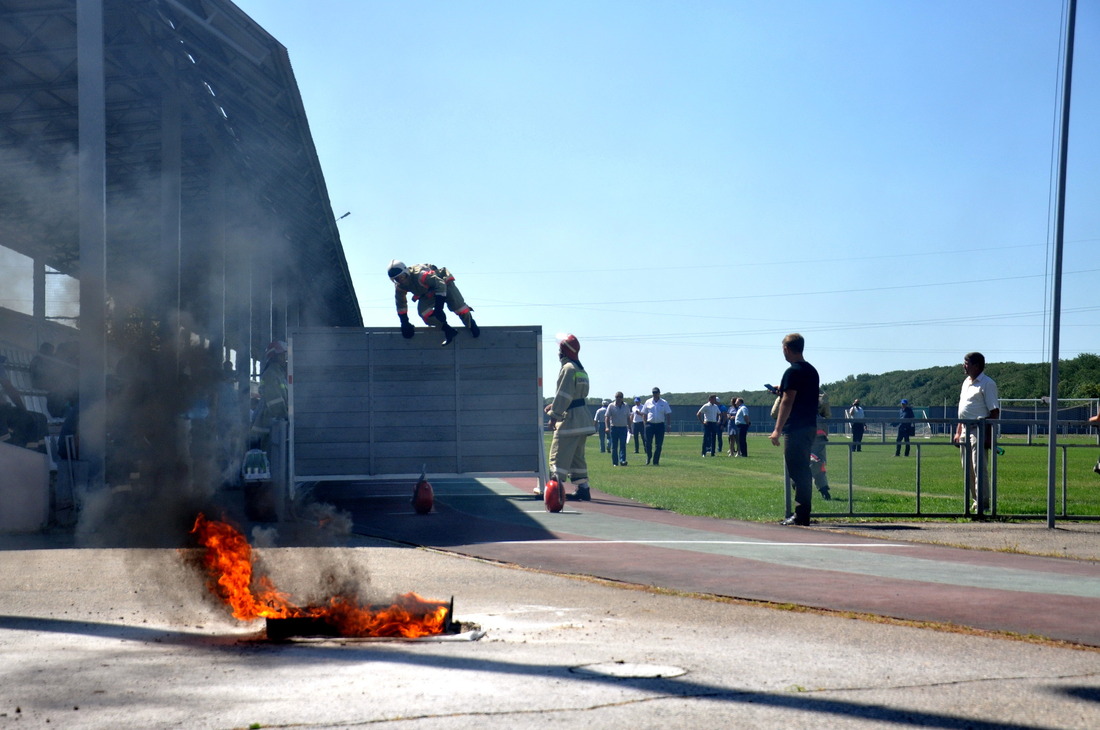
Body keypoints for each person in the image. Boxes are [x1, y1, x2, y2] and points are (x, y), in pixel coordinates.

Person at [769, 333, 820, 526]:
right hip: (809, 426)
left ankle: (801, 514)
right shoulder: (811, 371)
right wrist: (782, 389)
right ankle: (803, 511)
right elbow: (798, 394)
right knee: (801, 470)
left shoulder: (792, 372)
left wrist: (777, 429)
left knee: (798, 471)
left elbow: (787, 401)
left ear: (786, 349)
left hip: (796, 427)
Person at [538, 334, 594, 501]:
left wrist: (554, 415)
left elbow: (564, 394)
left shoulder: (568, 368)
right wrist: (553, 405)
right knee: (577, 458)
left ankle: (554, 493)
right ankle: (583, 489)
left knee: (558, 455)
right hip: (582, 420)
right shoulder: (580, 369)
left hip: (570, 421)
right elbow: (574, 396)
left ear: (563, 351)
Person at [387, 260, 480, 346]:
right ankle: (448, 330)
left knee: (458, 306)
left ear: (406, 272)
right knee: (424, 312)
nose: (401, 280)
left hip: (444, 283)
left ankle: (471, 324)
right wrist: (404, 322)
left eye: (402, 277)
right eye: (397, 279)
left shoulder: (420, 275)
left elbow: (440, 284)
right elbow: (401, 304)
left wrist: (439, 308)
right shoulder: (400, 286)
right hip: (428, 292)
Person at [952, 352, 999, 515]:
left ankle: (983, 504)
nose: (963, 366)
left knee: (979, 468)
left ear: (976, 365)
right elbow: (962, 411)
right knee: (968, 470)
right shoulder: (966, 382)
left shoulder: (987, 384)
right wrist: (958, 431)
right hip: (965, 428)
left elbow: (994, 412)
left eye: (966, 363)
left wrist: (988, 436)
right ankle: (975, 501)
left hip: (979, 429)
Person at [249, 340, 289, 453]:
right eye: (283, 355)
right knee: (272, 458)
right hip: (268, 426)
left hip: (273, 425)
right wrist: (286, 417)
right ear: (275, 356)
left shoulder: (279, 374)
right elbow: (275, 401)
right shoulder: (272, 374)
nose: (285, 358)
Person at [642, 387, 672, 466]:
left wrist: (669, 425)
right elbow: (644, 413)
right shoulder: (648, 402)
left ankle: (656, 461)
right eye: (653, 393)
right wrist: (645, 424)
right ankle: (648, 457)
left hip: (660, 425)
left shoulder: (664, 402)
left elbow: (668, 414)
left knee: (658, 445)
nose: (655, 394)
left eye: (656, 393)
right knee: (648, 443)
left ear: (659, 393)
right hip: (650, 424)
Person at [811, 391, 831, 500]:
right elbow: (827, 414)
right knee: (818, 463)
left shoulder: (794, 394)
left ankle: (797, 480)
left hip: (804, 434)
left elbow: (774, 414)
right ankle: (824, 490)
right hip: (819, 433)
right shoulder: (820, 396)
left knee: (816, 463)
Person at [605, 392, 631, 466]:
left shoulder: (626, 406)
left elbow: (628, 417)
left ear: (622, 398)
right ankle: (615, 462)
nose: (618, 398)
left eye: (620, 397)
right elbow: (607, 417)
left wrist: (630, 427)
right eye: (617, 397)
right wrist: (607, 427)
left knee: (623, 445)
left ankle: (622, 460)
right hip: (614, 428)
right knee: (614, 446)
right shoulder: (611, 406)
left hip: (623, 428)